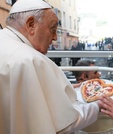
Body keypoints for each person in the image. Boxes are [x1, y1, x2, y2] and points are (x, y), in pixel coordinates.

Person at [0, 0, 101, 133]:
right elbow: (65, 124)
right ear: (31, 25)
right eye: (53, 29)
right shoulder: (31, 60)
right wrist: (98, 106)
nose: (54, 38)